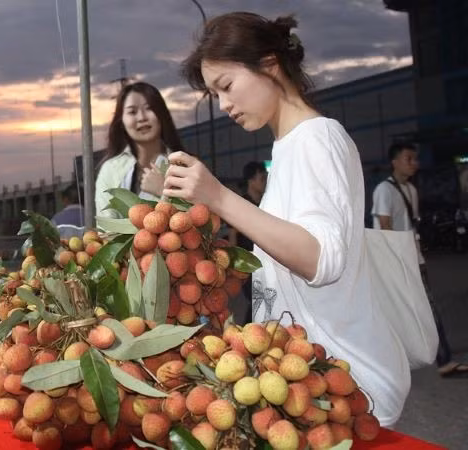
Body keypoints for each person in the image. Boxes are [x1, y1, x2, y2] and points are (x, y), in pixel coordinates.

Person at [163, 12, 410, 426]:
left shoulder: (317, 138)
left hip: (341, 389)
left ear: (269, 65)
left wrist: (218, 196)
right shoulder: (289, 148)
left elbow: (320, 260)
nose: (224, 105)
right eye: (215, 95)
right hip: (305, 388)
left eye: (226, 86)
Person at [372, 142, 468, 378]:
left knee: (425, 308)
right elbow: (385, 228)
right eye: (408, 158)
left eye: (415, 158)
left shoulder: (411, 190)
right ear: (394, 162)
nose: (414, 163)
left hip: (413, 259)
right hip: (395, 263)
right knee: (405, 310)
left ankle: (440, 358)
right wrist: (397, 264)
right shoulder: (384, 191)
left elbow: (410, 226)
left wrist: (418, 256)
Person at [95, 81, 185, 218]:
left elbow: (198, 222)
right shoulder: (110, 169)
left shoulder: (183, 165)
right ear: (122, 121)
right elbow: (106, 230)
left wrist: (164, 191)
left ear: (161, 114)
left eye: (149, 108)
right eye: (132, 112)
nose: (142, 118)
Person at [227, 161, 267, 323]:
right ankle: (248, 333)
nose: (265, 182)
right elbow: (232, 233)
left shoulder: (265, 203)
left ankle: (250, 332)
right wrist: (233, 264)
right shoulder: (242, 203)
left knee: (261, 299)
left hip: (263, 261)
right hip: (246, 263)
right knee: (256, 299)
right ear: (251, 180)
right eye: (262, 178)